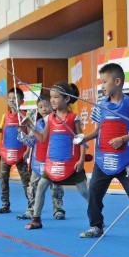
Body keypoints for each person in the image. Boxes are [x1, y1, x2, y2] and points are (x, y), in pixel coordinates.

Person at [79, 63, 129, 238]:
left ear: (117, 81)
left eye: (104, 82)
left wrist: (123, 139)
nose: (102, 86)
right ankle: (96, 226)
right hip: (103, 160)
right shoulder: (100, 106)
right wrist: (85, 138)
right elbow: (98, 130)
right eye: (101, 82)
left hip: (125, 160)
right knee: (94, 193)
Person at [25, 85, 89, 229]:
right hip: (52, 164)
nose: (52, 101)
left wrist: (81, 159)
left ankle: (97, 216)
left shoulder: (74, 119)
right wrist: (31, 126)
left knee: (85, 192)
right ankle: (36, 219)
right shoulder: (50, 119)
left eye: (55, 97)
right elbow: (42, 138)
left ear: (66, 99)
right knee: (41, 187)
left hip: (72, 164)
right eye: (51, 97)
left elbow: (81, 140)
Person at [0, 88, 31, 213]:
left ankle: (31, 204)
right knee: (3, 179)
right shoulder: (5, 116)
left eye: (15, 98)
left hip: (20, 153)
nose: (12, 100)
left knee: (26, 181)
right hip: (5, 152)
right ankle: (5, 204)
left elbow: (31, 134)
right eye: (10, 98)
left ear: (21, 101)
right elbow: (1, 129)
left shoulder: (25, 116)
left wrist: (28, 151)